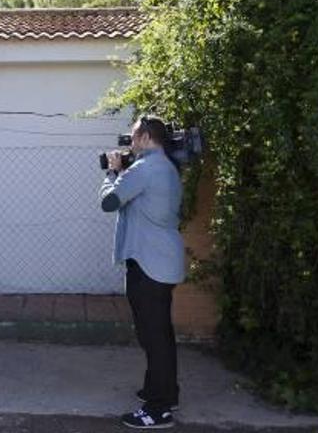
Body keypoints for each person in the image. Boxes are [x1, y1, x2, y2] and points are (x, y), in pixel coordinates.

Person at [99, 115, 185, 430]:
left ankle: (159, 409)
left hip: (149, 264)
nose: (130, 142)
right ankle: (163, 392)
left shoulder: (145, 168)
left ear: (147, 136)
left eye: (134, 136)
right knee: (159, 333)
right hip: (160, 261)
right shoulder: (165, 167)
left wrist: (112, 170)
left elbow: (109, 202)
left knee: (154, 336)